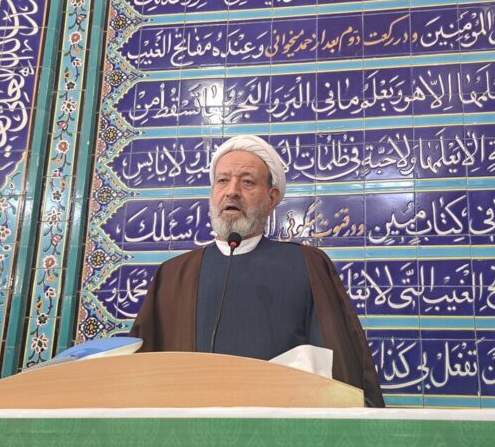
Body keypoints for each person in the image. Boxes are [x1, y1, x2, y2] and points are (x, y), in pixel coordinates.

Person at [130, 135, 384, 407]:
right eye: (222, 180)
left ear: (271, 198)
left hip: (281, 425)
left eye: (247, 182)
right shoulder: (174, 275)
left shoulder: (307, 264)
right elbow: (140, 372)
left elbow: (338, 363)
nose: (232, 191)